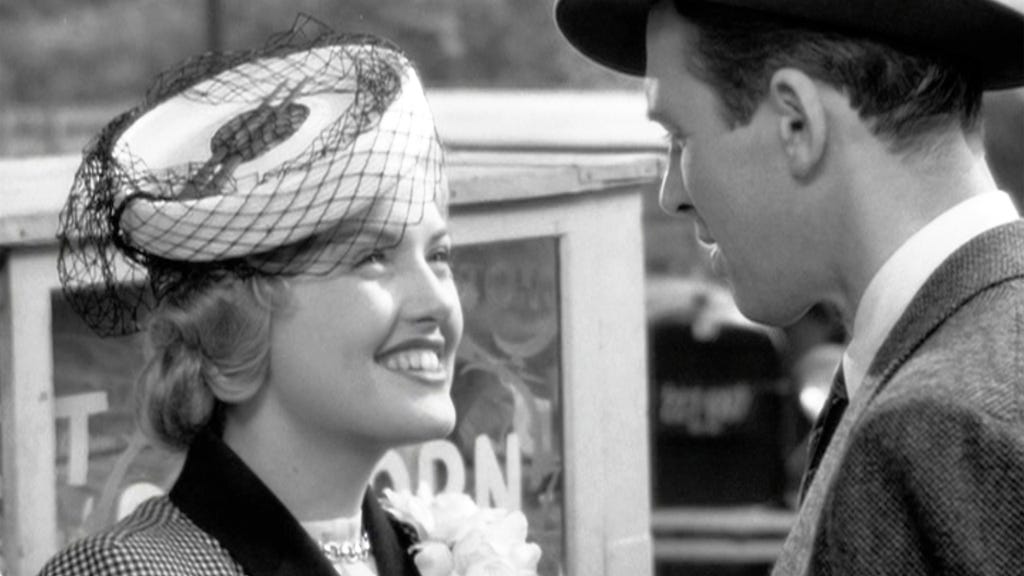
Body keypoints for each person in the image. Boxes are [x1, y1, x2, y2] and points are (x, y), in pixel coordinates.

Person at [554, 0, 1024, 574]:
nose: (671, 193)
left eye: (680, 137)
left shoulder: (932, 429)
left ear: (797, 122)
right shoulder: (964, 373)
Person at [40, 20, 459, 576]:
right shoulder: (131, 570)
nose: (436, 303)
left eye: (439, 256)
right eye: (372, 258)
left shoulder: (435, 553)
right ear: (233, 318)